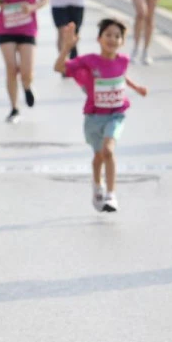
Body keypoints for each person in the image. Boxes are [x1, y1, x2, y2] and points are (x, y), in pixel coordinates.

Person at [55, 20, 148, 213]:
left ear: (122, 41)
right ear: (99, 39)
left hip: (116, 114)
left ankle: (111, 195)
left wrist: (136, 87)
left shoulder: (123, 60)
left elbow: (121, 76)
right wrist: (66, 48)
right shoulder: (89, 61)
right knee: (98, 156)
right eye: (108, 35)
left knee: (108, 151)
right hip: (93, 117)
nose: (112, 39)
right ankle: (97, 186)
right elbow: (59, 68)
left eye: (117, 36)